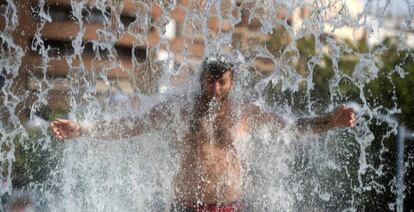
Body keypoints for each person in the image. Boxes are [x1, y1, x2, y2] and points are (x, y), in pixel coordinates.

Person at [51, 53, 356, 211]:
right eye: (210, 82)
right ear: (201, 80)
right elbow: (132, 126)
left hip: (231, 206)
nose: (215, 88)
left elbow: (293, 126)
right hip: (186, 205)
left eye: (222, 82)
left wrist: (331, 121)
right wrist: (82, 129)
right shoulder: (180, 108)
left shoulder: (245, 110)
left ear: (232, 82)